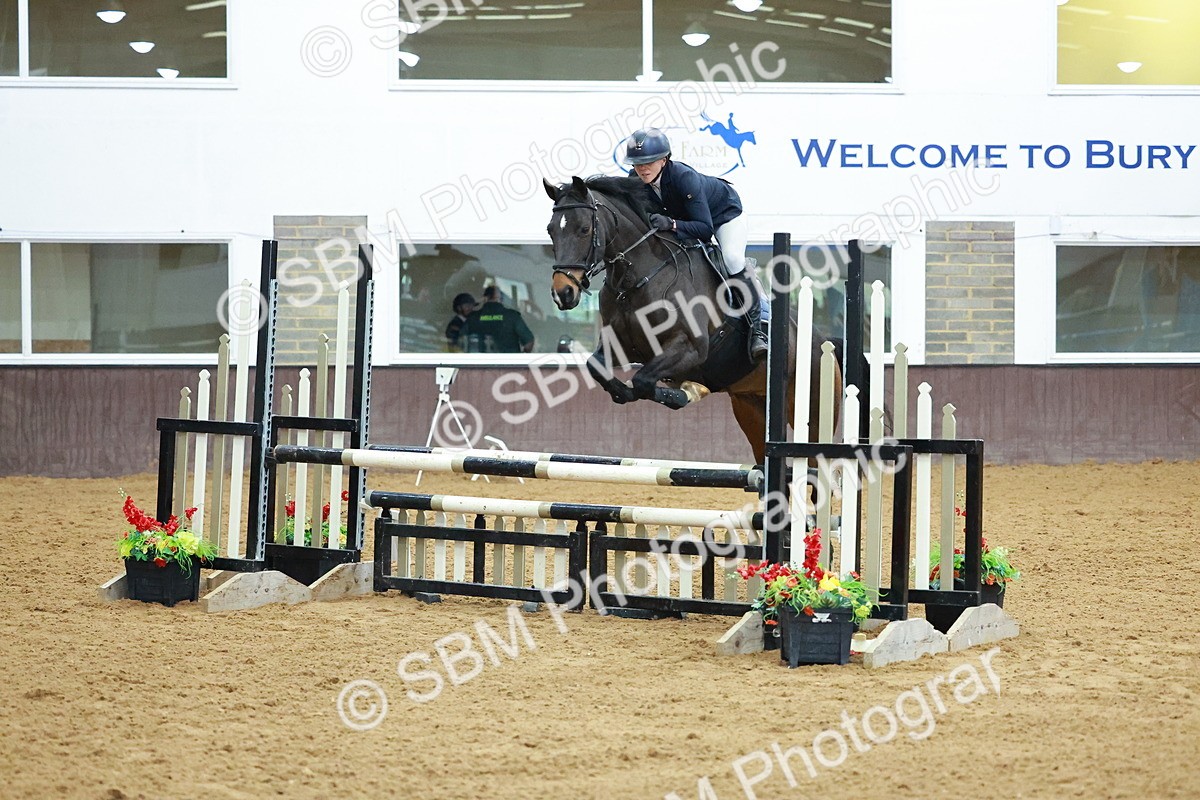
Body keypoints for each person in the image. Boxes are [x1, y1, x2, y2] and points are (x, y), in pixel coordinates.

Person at [623, 127, 769, 362]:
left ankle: (758, 330)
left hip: (723, 215)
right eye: (637, 163)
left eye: (648, 161)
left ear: (664, 159)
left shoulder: (684, 177)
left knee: (732, 258)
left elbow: (704, 229)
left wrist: (671, 224)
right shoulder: (636, 181)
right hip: (686, 219)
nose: (642, 168)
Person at [459, 285, 535, 353]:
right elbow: (529, 342)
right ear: (501, 299)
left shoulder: (472, 317)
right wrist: (520, 357)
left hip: (479, 365)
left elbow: (459, 340)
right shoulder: (512, 316)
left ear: (485, 298)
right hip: (508, 365)